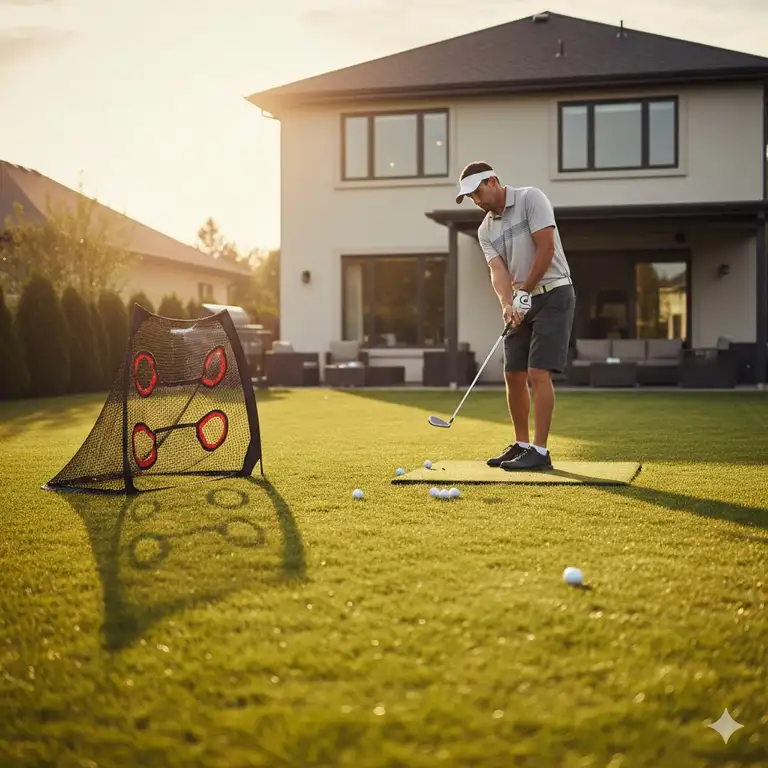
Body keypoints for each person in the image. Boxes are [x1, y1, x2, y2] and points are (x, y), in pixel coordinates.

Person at [455, 161, 575, 471]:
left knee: (538, 372)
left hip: (554, 294)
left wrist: (525, 293)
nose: (476, 200)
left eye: (477, 192)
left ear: (492, 181)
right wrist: (507, 304)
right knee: (514, 374)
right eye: (470, 197)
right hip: (521, 302)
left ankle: (540, 450)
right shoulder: (485, 229)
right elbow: (498, 270)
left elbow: (546, 248)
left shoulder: (530, 199)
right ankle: (521, 445)